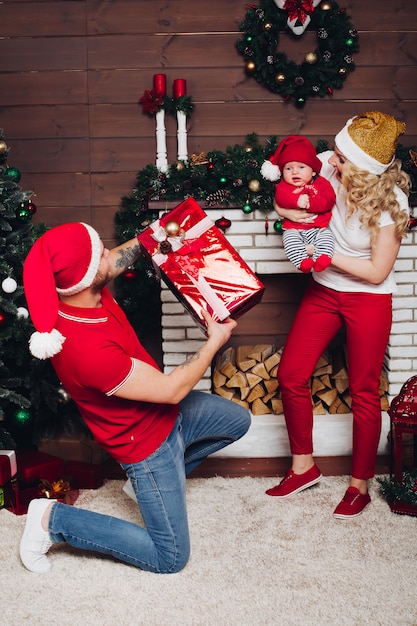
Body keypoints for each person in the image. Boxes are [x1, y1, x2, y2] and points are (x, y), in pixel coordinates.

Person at [20, 222, 251, 573]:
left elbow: (115, 260)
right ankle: (51, 518)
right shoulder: (88, 351)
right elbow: (172, 390)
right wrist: (214, 342)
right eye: (99, 252)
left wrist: (162, 229)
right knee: (170, 557)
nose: (109, 253)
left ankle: (150, 488)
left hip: (167, 418)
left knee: (237, 421)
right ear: (84, 277)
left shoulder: (87, 290)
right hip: (145, 446)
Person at [265, 111, 411, 519]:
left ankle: (359, 485)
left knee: (365, 391)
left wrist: (326, 255)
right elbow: (287, 200)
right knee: (291, 374)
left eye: (342, 159)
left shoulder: (391, 203)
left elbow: (377, 270)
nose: (332, 160)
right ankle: (303, 467)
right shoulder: (329, 168)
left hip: (368, 299)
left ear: (363, 172)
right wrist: (288, 217)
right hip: (323, 292)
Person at [261, 135, 336, 273]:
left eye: (301, 167)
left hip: (318, 228)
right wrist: (296, 200)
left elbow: (329, 200)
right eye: (288, 169)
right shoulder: (284, 186)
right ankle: (302, 262)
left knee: (327, 238)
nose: (295, 172)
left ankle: (323, 258)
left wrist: (311, 203)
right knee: (289, 241)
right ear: (282, 172)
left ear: (313, 171)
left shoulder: (322, 183)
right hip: (293, 229)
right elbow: (280, 198)